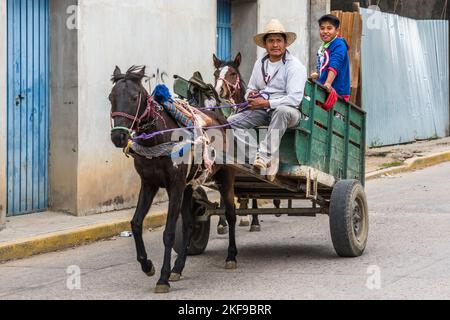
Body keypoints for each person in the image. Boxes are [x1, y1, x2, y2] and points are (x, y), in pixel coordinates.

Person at [228, 19, 307, 181]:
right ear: (265, 44)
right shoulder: (260, 63)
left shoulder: (294, 66)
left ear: (286, 43)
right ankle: (259, 154)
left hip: (290, 112)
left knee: (282, 110)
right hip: (263, 110)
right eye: (271, 41)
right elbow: (250, 88)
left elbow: (295, 98)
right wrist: (250, 97)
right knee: (230, 122)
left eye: (279, 40)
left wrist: (267, 103)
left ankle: (264, 156)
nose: (275, 44)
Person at [311, 14, 351, 101]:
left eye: (329, 28)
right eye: (322, 28)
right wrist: (318, 74)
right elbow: (324, 65)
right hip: (324, 89)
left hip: (337, 92)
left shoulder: (339, 45)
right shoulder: (325, 45)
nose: (325, 31)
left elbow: (335, 65)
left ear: (337, 31)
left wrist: (328, 83)